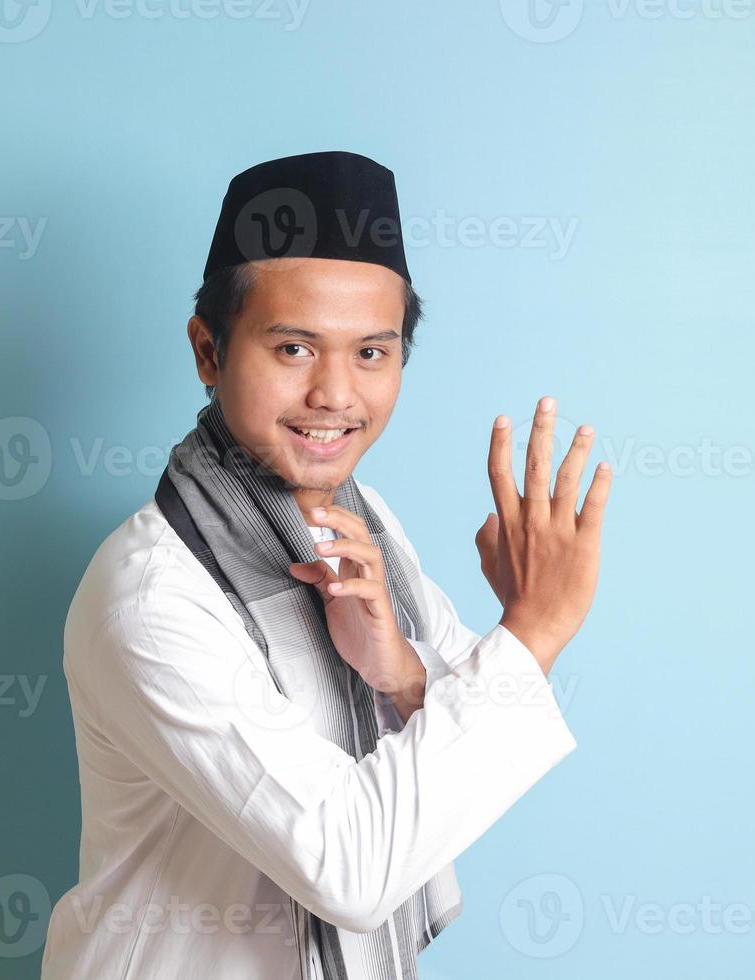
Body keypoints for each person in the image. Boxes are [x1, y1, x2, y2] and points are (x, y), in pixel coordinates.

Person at [41, 150, 613, 980]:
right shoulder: (153, 596)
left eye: (373, 354)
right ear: (209, 351)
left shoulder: (365, 525)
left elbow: (452, 755)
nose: (336, 396)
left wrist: (398, 670)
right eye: (296, 350)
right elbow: (351, 865)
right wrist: (536, 626)